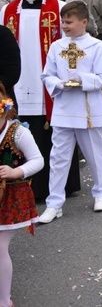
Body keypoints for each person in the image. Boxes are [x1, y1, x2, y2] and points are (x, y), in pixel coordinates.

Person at [0, 0, 80, 200]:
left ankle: (62, 186)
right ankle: (23, 187)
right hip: (17, 83)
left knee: (54, 137)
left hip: (50, 84)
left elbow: (73, 47)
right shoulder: (6, 11)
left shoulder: (61, 8)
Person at [37, 1, 102, 224]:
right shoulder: (56, 46)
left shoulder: (97, 46)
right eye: (62, 21)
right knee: (58, 157)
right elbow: (47, 75)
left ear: (84, 22)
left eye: (69, 22)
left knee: (94, 154)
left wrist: (82, 79)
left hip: (88, 108)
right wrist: (58, 83)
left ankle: (101, 193)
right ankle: (54, 203)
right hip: (64, 108)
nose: (64, 26)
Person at [0, 84, 43, 307]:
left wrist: (15, 171)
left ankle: (4, 300)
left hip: (11, 198)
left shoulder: (19, 132)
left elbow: (38, 160)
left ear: (4, 111)